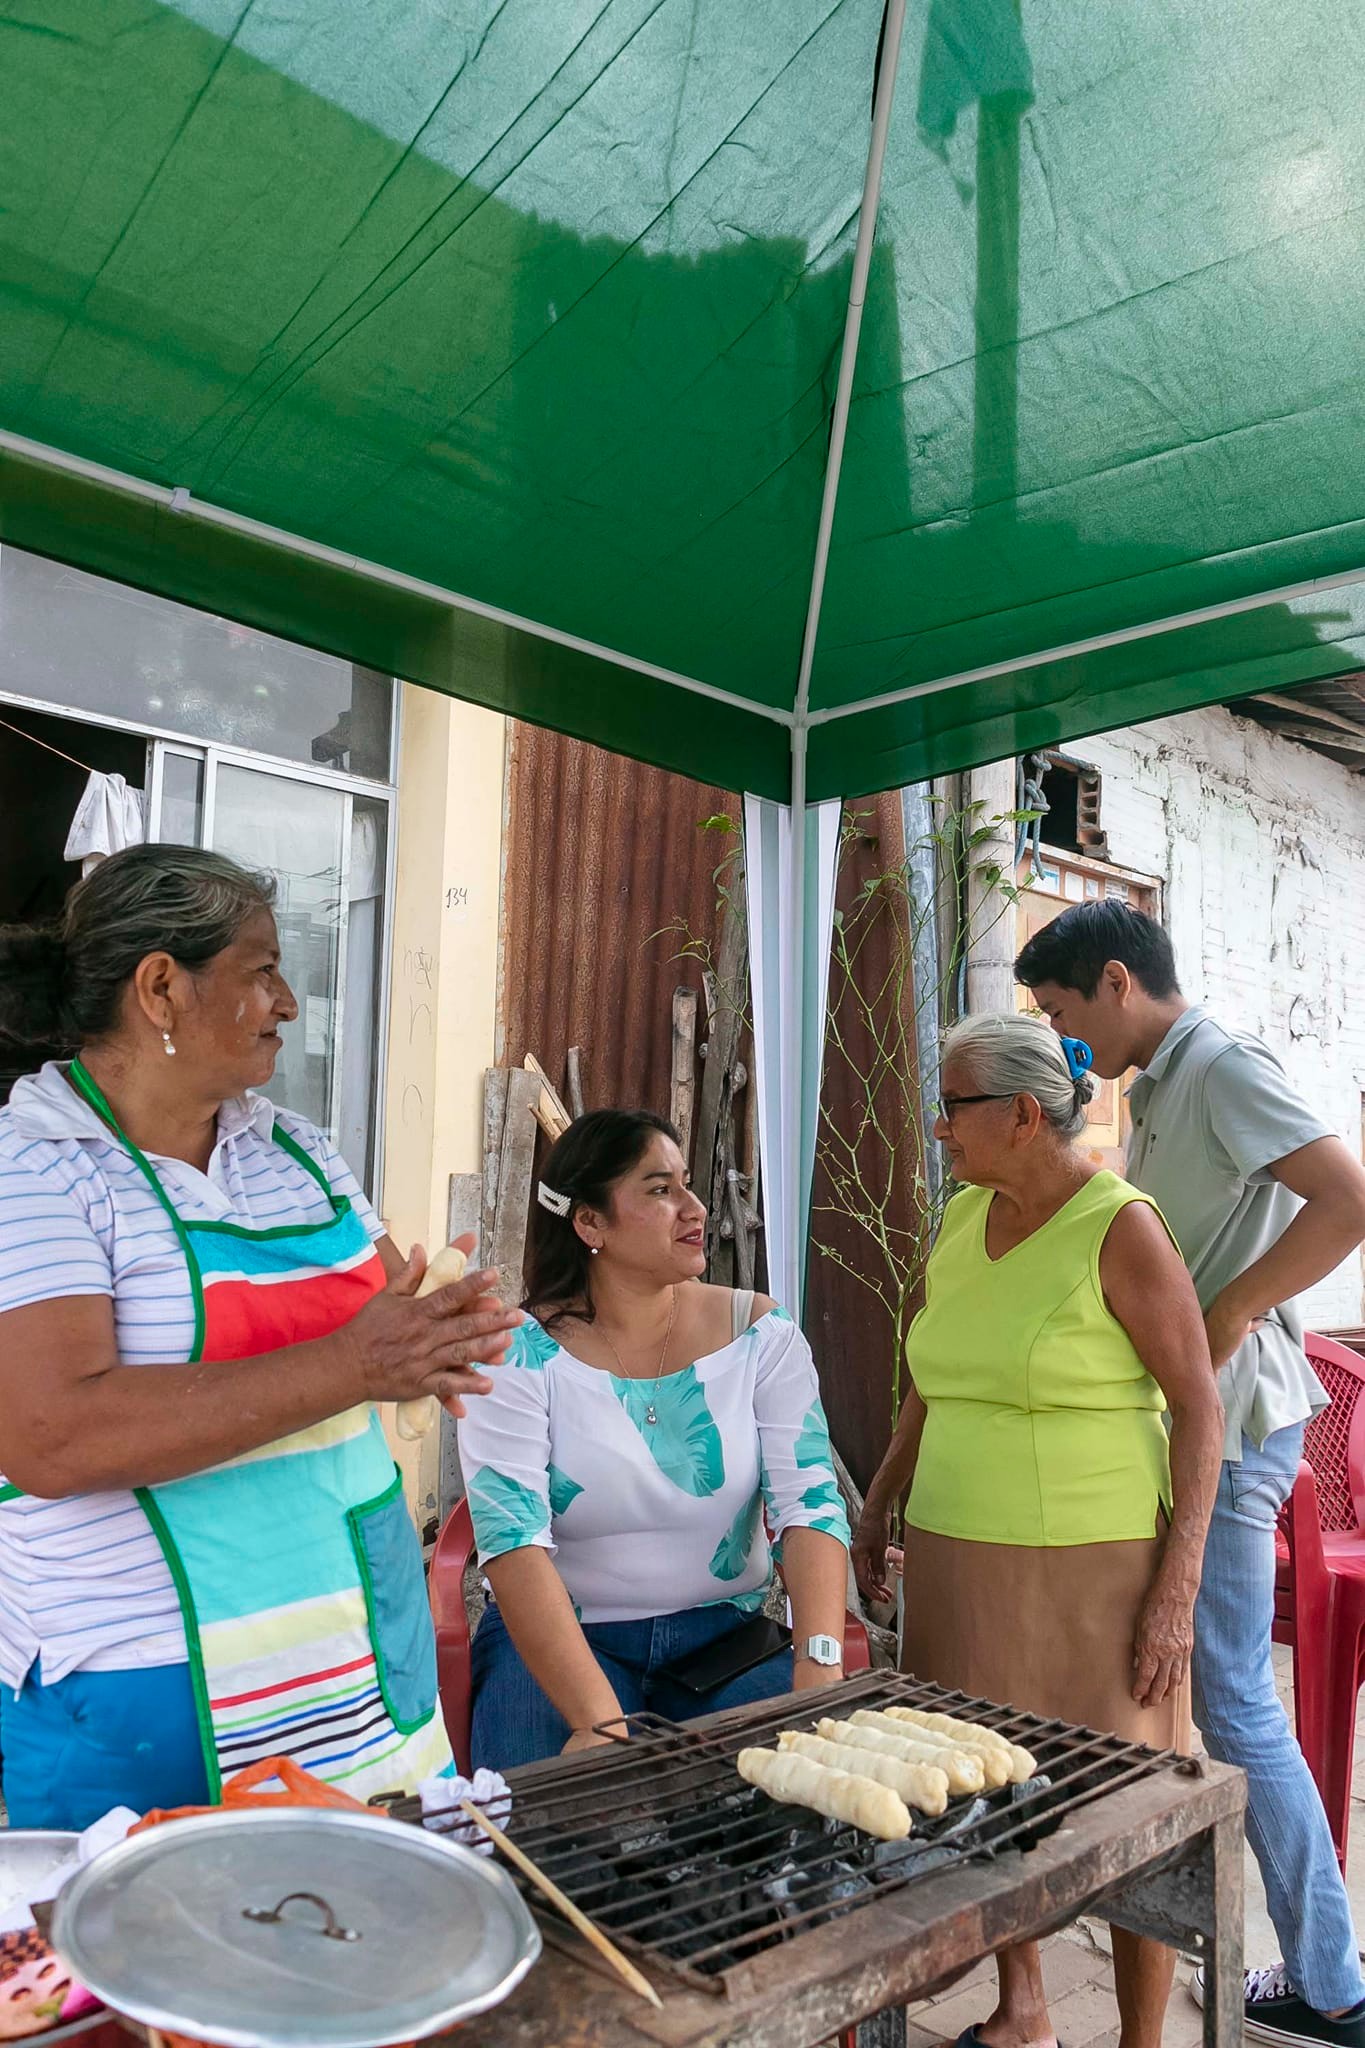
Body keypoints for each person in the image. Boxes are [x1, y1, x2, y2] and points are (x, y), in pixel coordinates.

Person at [0, 845, 521, 1827]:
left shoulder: (294, 1149)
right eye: (262, 970)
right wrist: (358, 1360)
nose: (287, 1003)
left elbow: (384, 1322)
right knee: (165, 1917)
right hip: (153, 1686)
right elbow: (50, 1434)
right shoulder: (34, 1166)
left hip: (356, 1653)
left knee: (362, 1906)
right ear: (161, 987)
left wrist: (440, 1335)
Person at [1016, 901, 1365, 2048]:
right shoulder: (1161, 1085)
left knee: (1233, 1695)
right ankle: (1322, 1969)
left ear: (1117, 981)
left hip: (1238, 1415)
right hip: (1197, 1413)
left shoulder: (1218, 1066)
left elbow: (1350, 1197)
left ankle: (1333, 1986)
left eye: (1063, 1012)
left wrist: (1234, 1307)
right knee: (1218, 1692)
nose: (1062, 1037)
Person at [853, 1014, 1223, 2048]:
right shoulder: (963, 1218)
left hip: (1092, 1573)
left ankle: (1141, 2038)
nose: (938, 1127)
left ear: (1021, 1114)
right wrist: (880, 1498)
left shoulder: (1120, 1226)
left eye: (953, 1107)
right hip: (957, 1561)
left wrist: (1178, 1587)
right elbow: (931, 1377)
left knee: (1124, 1805)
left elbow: (1199, 1408)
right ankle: (1025, 2007)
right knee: (984, 1783)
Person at [458, 1109, 852, 1768]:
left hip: (724, 1641)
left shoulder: (760, 1336)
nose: (695, 1209)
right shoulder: (514, 1353)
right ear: (591, 1223)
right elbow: (512, 1540)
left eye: (686, 1184)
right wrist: (595, 1719)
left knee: (794, 1796)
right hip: (563, 1640)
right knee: (542, 1810)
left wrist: (819, 1663)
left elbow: (808, 1505)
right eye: (660, 1190)